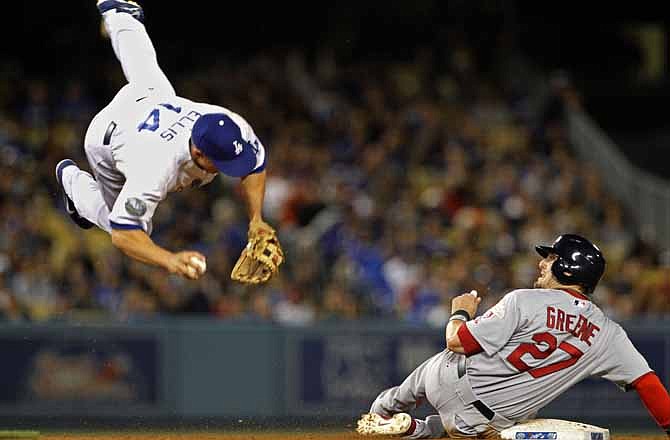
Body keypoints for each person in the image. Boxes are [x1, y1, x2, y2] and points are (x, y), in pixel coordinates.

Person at [357, 234, 670, 438]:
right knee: (440, 432)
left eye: (550, 258)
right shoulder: (610, 335)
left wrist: (460, 312)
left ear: (567, 268)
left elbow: (456, 341)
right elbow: (649, 385)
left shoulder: (525, 299)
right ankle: (414, 430)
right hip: (482, 419)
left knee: (395, 399)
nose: (542, 262)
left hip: (444, 372)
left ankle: (385, 414)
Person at [55, 0, 281, 281]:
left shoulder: (225, 121)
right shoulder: (153, 170)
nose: (228, 168)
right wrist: (169, 260)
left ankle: (120, 15)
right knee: (123, 224)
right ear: (198, 152)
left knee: (148, 74)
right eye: (220, 162)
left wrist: (256, 218)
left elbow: (255, 164)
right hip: (107, 138)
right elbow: (125, 235)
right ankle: (72, 181)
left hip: (151, 100)